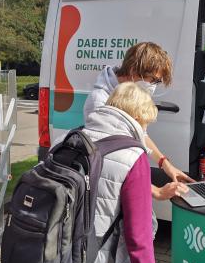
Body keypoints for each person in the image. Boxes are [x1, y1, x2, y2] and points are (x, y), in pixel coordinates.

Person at [83, 42, 193, 200]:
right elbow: (111, 162)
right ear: (134, 71)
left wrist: (166, 165)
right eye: (152, 80)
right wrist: (156, 192)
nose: (153, 86)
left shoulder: (132, 91)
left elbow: (141, 134)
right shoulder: (99, 101)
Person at [76, 82, 161, 263]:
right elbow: (139, 236)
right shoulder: (133, 156)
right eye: (146, 123)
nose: (145, 129)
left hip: (59, 259)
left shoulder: (71, 138)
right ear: (138, 117)